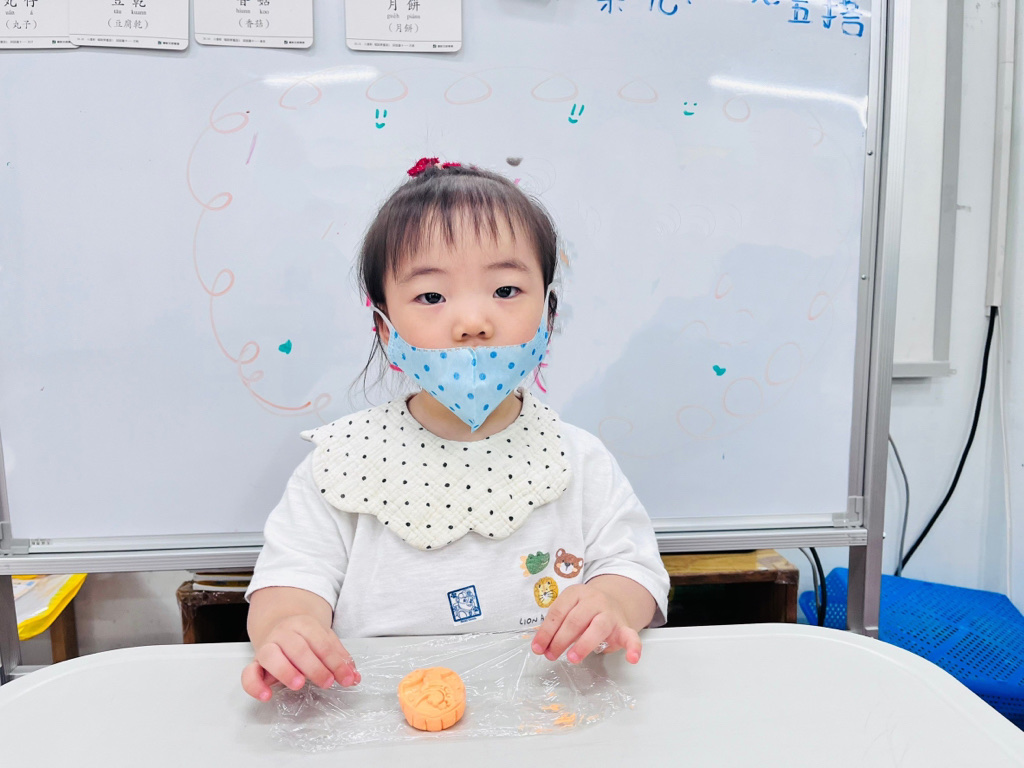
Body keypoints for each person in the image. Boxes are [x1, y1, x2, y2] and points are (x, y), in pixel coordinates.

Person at [241, 158, 670, 702]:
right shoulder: (342, 464)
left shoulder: (578, 459)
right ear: (385, 327)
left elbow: (635, 569)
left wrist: (612, 602)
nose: (472, 323)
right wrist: (289, 628)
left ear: (548, 312)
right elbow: (288, 582)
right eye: (431, 297)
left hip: (554, 712)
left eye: (506, 291)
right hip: (379, 713)